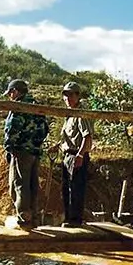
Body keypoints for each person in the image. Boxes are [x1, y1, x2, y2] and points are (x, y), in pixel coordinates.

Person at [3, 78, 49, 228]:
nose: (10, 96)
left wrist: (9, 148)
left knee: (19, 184)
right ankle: (34, 216)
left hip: (21, 151)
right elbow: (45, 129)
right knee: (32, 184)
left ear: (15, 91)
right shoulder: (37, 107)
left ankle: (24, 217)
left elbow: (12, 130)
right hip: (35, 151)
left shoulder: (19, 107)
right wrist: (36, 144)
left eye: (10, 93)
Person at [50, 81, 93, 228]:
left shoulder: (81, 113)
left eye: (70, 95)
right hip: (68, 155)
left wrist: (80, 156)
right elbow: (70, 137)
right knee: (67, 188)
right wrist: (58, 146)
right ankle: (69, 219)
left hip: (77, 155)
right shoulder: (70, 115)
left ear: (77, 96)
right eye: (65, 95)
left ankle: (75, 220)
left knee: (76, 188)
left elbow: (87, 137)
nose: (67, 98)